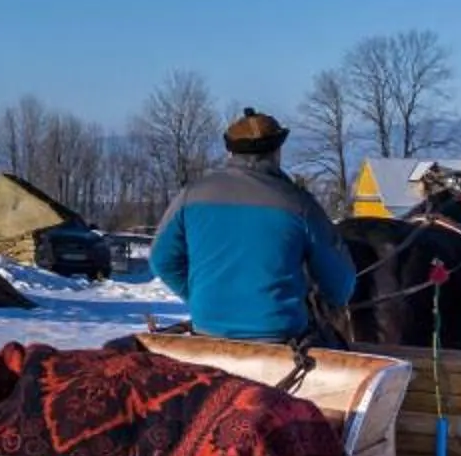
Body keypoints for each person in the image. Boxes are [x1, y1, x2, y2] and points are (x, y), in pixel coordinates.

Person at [150, 108, 356, 342]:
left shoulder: (190, 196)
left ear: (230, 152)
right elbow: (340, 284)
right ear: (277, 152)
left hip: (207, 332)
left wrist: (200, 298)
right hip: (280, 339)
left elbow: (161, 260)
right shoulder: (299, 204)